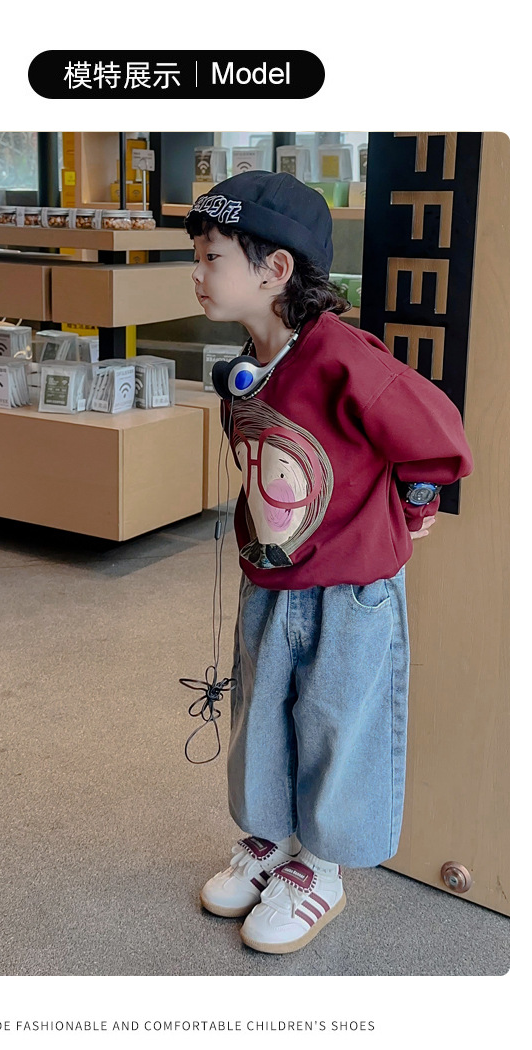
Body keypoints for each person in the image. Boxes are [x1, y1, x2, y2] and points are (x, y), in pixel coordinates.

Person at [184, 171, 474, 955]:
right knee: (263, 710)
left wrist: (413, 508)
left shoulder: (343, 357)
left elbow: (436, 433)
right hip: (274, 577)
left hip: (349, 590)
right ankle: (272, 838)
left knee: (337, 720)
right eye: (198, 256)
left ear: (275, 269)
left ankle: (323, 868)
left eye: (213, 257)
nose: (197, 273)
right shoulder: (253, 360)